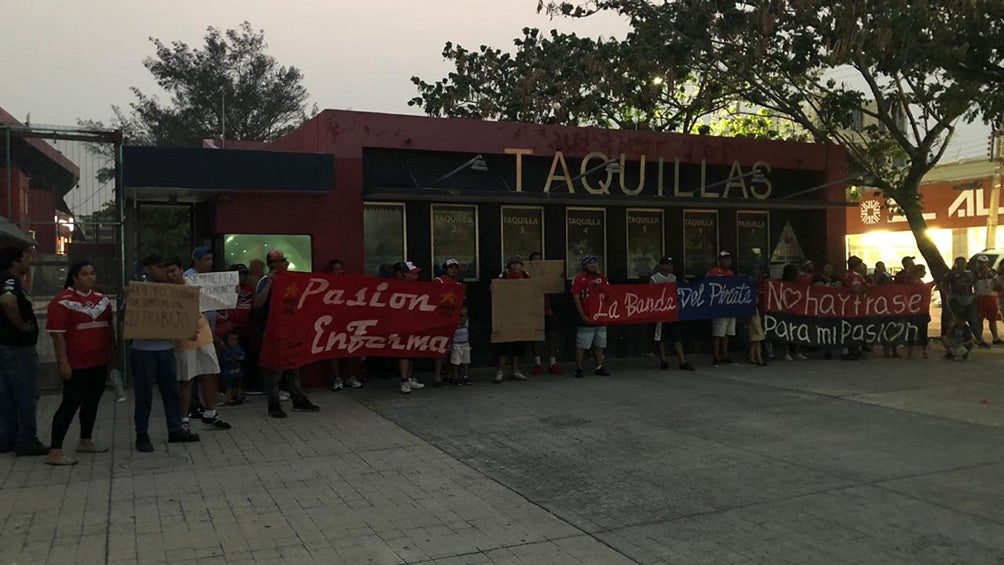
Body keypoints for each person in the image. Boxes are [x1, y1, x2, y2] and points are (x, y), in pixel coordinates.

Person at [45, 261, 116, 465]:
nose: (90, 277)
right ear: (75, 277)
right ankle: (55, 451)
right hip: (76, 363)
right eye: (84, 274)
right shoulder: (62, 301)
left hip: (99, 361)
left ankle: (85, 440)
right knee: (69, 404)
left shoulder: (102, 300)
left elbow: (109, 329)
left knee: (91, 402)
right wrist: (63, 363)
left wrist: (112, 355)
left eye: (93, 273)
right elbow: (57, 337)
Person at [130, 254, 199, 452]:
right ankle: (141, 434)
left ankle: (175, 428)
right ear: (149, 268)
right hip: (144, 351)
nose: (163, 271)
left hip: (166, 348)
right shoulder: (140, 288)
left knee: (171, 392)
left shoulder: (172, 289)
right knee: (144, 395)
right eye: (160, 267)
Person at [254, 249, 321, 417]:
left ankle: (298, 399)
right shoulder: (265, 281)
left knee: (293, 366)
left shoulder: (292, 280)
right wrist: (270, 283)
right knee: (273, 369)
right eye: (278, 261)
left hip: (291, 330)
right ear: (271, 265)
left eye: (283, 260)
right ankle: (274, 404)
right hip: (272, 331)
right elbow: (257, 304)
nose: (282, 263)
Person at [0, 246, 47, 456]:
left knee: (7, 394)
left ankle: (8, 438)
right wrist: (22, 325)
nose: (30, 262)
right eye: (27, 258)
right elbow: (8, 301)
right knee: (26, 393)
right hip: (18, 348)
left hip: (6, 346)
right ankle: (26, 439)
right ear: (16, 262)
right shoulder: (10, 281)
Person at [650, 257, 694, 371]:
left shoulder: (673, 278)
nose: (670, 267)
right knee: (661, 337)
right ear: (662, 266)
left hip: (672, 311)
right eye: (668, 265)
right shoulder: (654, 279)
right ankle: (663, 360)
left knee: (677, 337)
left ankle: (682, 361)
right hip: (661, 311)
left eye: (671, 265)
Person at [571, 255, 612, 378]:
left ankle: (599, 366)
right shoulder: (580, 279)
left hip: (600, 316)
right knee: (583, 343)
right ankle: (579, 367)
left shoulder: (602, 278)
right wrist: (582, 314)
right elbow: (575, 296)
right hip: (587, 316)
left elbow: (610, 294)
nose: (593, 265)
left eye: (595, 263)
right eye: (590, 263)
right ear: (584, 265)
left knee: (600, 343)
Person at [327, 259, 364, 390]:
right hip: (332, 322)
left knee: (349, 350)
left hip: (347, 322)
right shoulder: (326, 285)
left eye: (340, 269)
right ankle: (337, 378)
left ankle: (350, 376)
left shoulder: (349, 284)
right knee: (334, 352)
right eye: (335, 269)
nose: (338, 272)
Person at [392, 261, 427, 394]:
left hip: (414, 322)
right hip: (401, 324)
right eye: (412, 273)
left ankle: (410, 377)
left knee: (412, 352)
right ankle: (404, 380)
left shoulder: (417, 287)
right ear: (401, 274)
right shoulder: (394, 287)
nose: (416, 275)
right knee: (404, 352)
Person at [495, 256, 531, 383]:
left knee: (519, 344)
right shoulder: (503, 276)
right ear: (508, 266)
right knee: (503, 343)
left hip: (521, 314)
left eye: (518, 264)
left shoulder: (526, 276)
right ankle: (500, 371)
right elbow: (494, 290)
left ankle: (515, 370)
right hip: (505, 314)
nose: (516, 266)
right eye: (513, 264)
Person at [528, 252, 562, 375]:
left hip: (547, 310)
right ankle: (538, 363)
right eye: (534, 261)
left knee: (552, 336)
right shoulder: (526, 275)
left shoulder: (547, 275)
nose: (537, 263)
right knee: (535, 337)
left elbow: (556, 285)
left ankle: (552, 363)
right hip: (532, 310)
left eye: (539, 260)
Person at [433, 259, 465, 386]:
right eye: (451, 268)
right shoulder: (438, 281)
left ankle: (451, 374)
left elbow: (463, 303)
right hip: (440, 318)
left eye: (456, 268)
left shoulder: (459, 284)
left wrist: (463, 316)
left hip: (455, 318)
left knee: (454, 347)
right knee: (440, 347)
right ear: (445, 269)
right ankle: (437, 375)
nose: (454, 270)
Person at [942, 256, 985, 346]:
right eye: (959, 263)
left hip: (969, 298)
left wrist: (975, 294)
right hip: (957, 298)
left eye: (963, 262)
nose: (962, 264)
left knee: (973, 319)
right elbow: (943, 285)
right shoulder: (951, 274)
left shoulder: (970, 274)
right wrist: (950, 294)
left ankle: (979, 339)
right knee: (958, 319)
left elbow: (975, 284)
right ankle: (955, 339)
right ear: (956, 264)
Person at [708, 251, 737, 367]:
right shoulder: (713, 272)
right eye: (725, 259)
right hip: (718, 308)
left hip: (730, 307)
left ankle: (725, 355)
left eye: (729, 259)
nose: (728, 262)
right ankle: (716, 356)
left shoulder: (731, 273)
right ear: (720, 260)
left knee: (727, 333)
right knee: (718, 333)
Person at [841, 255, 872, 360]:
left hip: (849, 306)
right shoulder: (855, 276)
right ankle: (852, 350)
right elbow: (857, 289)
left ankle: (851, 349)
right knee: (855, 328)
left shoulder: (846, 274)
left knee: (850, 329)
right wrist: (870, 287)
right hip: (854, 306)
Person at [973, 255, 1002, 345]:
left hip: (992, 297)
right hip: (980, 297)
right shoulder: (974, 274)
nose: (982, 265)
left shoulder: (992, 273)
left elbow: (997, 283)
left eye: (983, 263)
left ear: (987, 263)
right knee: (979, 320)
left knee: (992, 319)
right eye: (980, 262)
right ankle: (979, 339)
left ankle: (996, 338)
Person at [906, 264, 933, 360]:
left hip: (916, 310)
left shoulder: (914, 282)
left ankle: (913, 352)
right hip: (917, 311)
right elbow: (924, 289)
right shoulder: (915, 283)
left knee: (915, 331)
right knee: (919, 332)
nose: (924, 273)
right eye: (923, 271)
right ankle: (921, 351)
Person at [748, 263, 767, 366]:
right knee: (757, 336)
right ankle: (758, 358)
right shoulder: (751, 282)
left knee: (756, 339)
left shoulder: (763, 281)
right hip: (753, 310)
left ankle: (753, 356)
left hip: (759, 309)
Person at [220, 332, 245, 405]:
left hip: (238, 371)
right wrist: (230, 359)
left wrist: (239, 358)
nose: (233, 342)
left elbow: (243, 356)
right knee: (228, 386)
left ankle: (239, 397)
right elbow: (223, 359)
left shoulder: (239, 349)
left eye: (235, 340)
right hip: (228, 372)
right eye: (231, 340)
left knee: (238, 385)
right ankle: (229, 399)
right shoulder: (226, 350)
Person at [450, 306, 472, 385]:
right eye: (460, 316)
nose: (462, 318)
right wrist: (450, 345)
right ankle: (455, 376)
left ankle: (466, 376)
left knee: (466, 361)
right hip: (456, 345)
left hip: (465, 344)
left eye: (464, 316)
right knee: (456, 362)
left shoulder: (466, 323)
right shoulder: (453, 324)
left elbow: (467, 333)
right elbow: (451, 335)